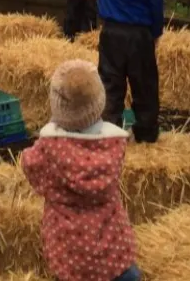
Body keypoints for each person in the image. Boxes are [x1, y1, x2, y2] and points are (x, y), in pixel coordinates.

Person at [21, 59, 141, 281]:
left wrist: (50, 130)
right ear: (100, 102)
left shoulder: (49, 149)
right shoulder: (114, 145)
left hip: (68, 247)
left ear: (57, 107)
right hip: (111, 245)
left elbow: (29, 165)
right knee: (127, 275)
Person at [80, 0, 163, 143]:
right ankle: (147, 133)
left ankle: (110, 133)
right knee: (145, 85)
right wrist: (156, 33)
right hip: (140, 35)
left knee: (110, 83)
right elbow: (155, 6)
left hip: (112, 33)